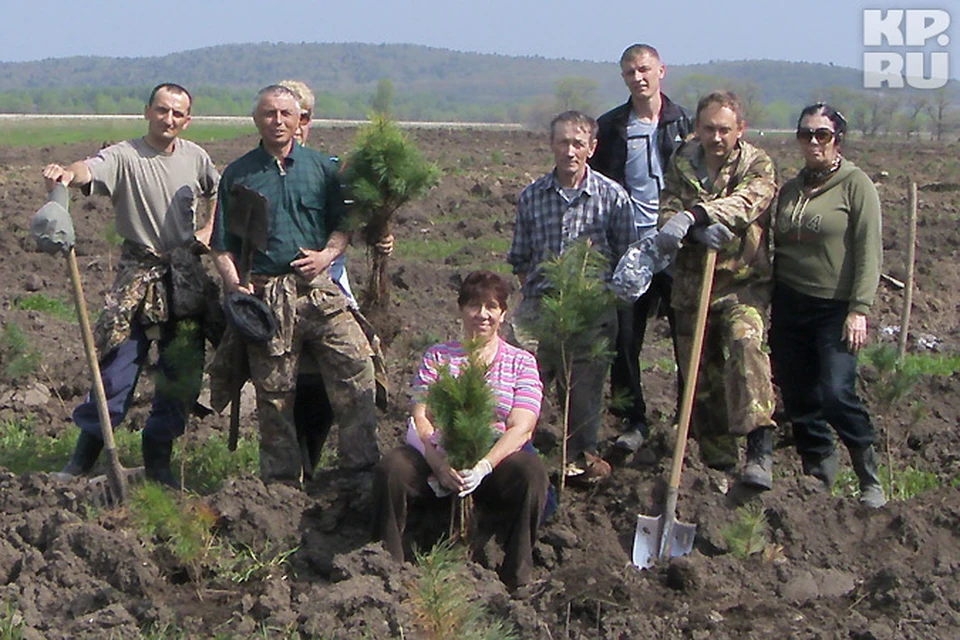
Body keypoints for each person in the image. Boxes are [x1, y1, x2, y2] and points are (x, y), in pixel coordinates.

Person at [42, 83, 219, 487]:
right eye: (162, 110)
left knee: (180, 376)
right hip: (137, 279)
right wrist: (67, 175)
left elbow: (219, 189)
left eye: (177, 113)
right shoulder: (125, 155)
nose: (168, 119)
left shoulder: (196, 157)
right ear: (147, 112)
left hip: (184, 279)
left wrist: (210, 229)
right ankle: (82, 461)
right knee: (115, 372)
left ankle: (158, 465)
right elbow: (89, 169)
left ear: (187, 120)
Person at [210, 84, 379, 485]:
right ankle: (281, 486)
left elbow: (343, 228)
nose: (278, 121)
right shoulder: (239, 173)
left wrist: (326, 255)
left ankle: (361, 470)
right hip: (268, 296)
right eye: (270, 114)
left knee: (357, 365)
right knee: (274, 394)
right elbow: (220, 245)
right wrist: (236, 287)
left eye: (287, 114)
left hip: (318, 292)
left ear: (300, 119)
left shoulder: (321, 169)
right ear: (257, 120)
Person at [372, 270, 548, 590]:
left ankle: (517, 576)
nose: (482, 314)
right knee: (392, 469)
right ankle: (388, 568)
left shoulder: (521, 362)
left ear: (503, 314)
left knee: (532, 473)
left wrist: (484, 466)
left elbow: (521, 427)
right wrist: (439, 465)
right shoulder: (439, 356)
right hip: (440, 450)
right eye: (474, 305)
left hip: (494, 457)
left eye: (492, 306)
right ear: (460, 310)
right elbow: (421, 416)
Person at [655, 91, 778, 487]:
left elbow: (749, 201)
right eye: (708, 128)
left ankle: (759, 447)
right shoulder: (684, 160)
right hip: (693, 285)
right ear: (698, 128)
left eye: (725, 129)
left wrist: (700, 213)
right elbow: (667, 207)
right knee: (697, 376)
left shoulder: (756, 163)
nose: (716, 137)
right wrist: (688, 230)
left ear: (740, 129)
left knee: (746, 348)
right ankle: (719, 465)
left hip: (741, 284)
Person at [507, 110, 636, 481]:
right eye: (562, 142)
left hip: (592, 309)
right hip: (540, 307)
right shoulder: (533, 196)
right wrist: (536, 295)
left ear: (592, 148)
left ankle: (579, 457)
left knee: (584, 390)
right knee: (524, 380)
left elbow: (627, 256)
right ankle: (513, 450)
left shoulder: (612, 197)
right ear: (552, 145)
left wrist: (601, 298)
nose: (570, 150)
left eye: (578, 143)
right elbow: (520, 256)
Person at [770, 103, 886, 508]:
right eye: (806, 134)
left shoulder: (857, 185)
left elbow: (868, 252)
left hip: (834, 308)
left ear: (838, 140)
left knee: (836, 392)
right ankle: (816, 476)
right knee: (799, 396)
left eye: (822, 134)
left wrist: (860, 308)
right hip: (790, 304)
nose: (814, 141)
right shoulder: (790, 188)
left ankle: (867, 474)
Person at [590, 44, 692, 452]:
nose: (639, 77)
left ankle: (688, 419)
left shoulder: (685, 124)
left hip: (679, 248)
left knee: (687, 335)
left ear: (661, 70)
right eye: (631, 72)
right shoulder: (611, 128)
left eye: (645, 69)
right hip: (629, 251)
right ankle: (633, 420)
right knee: (624, 339)